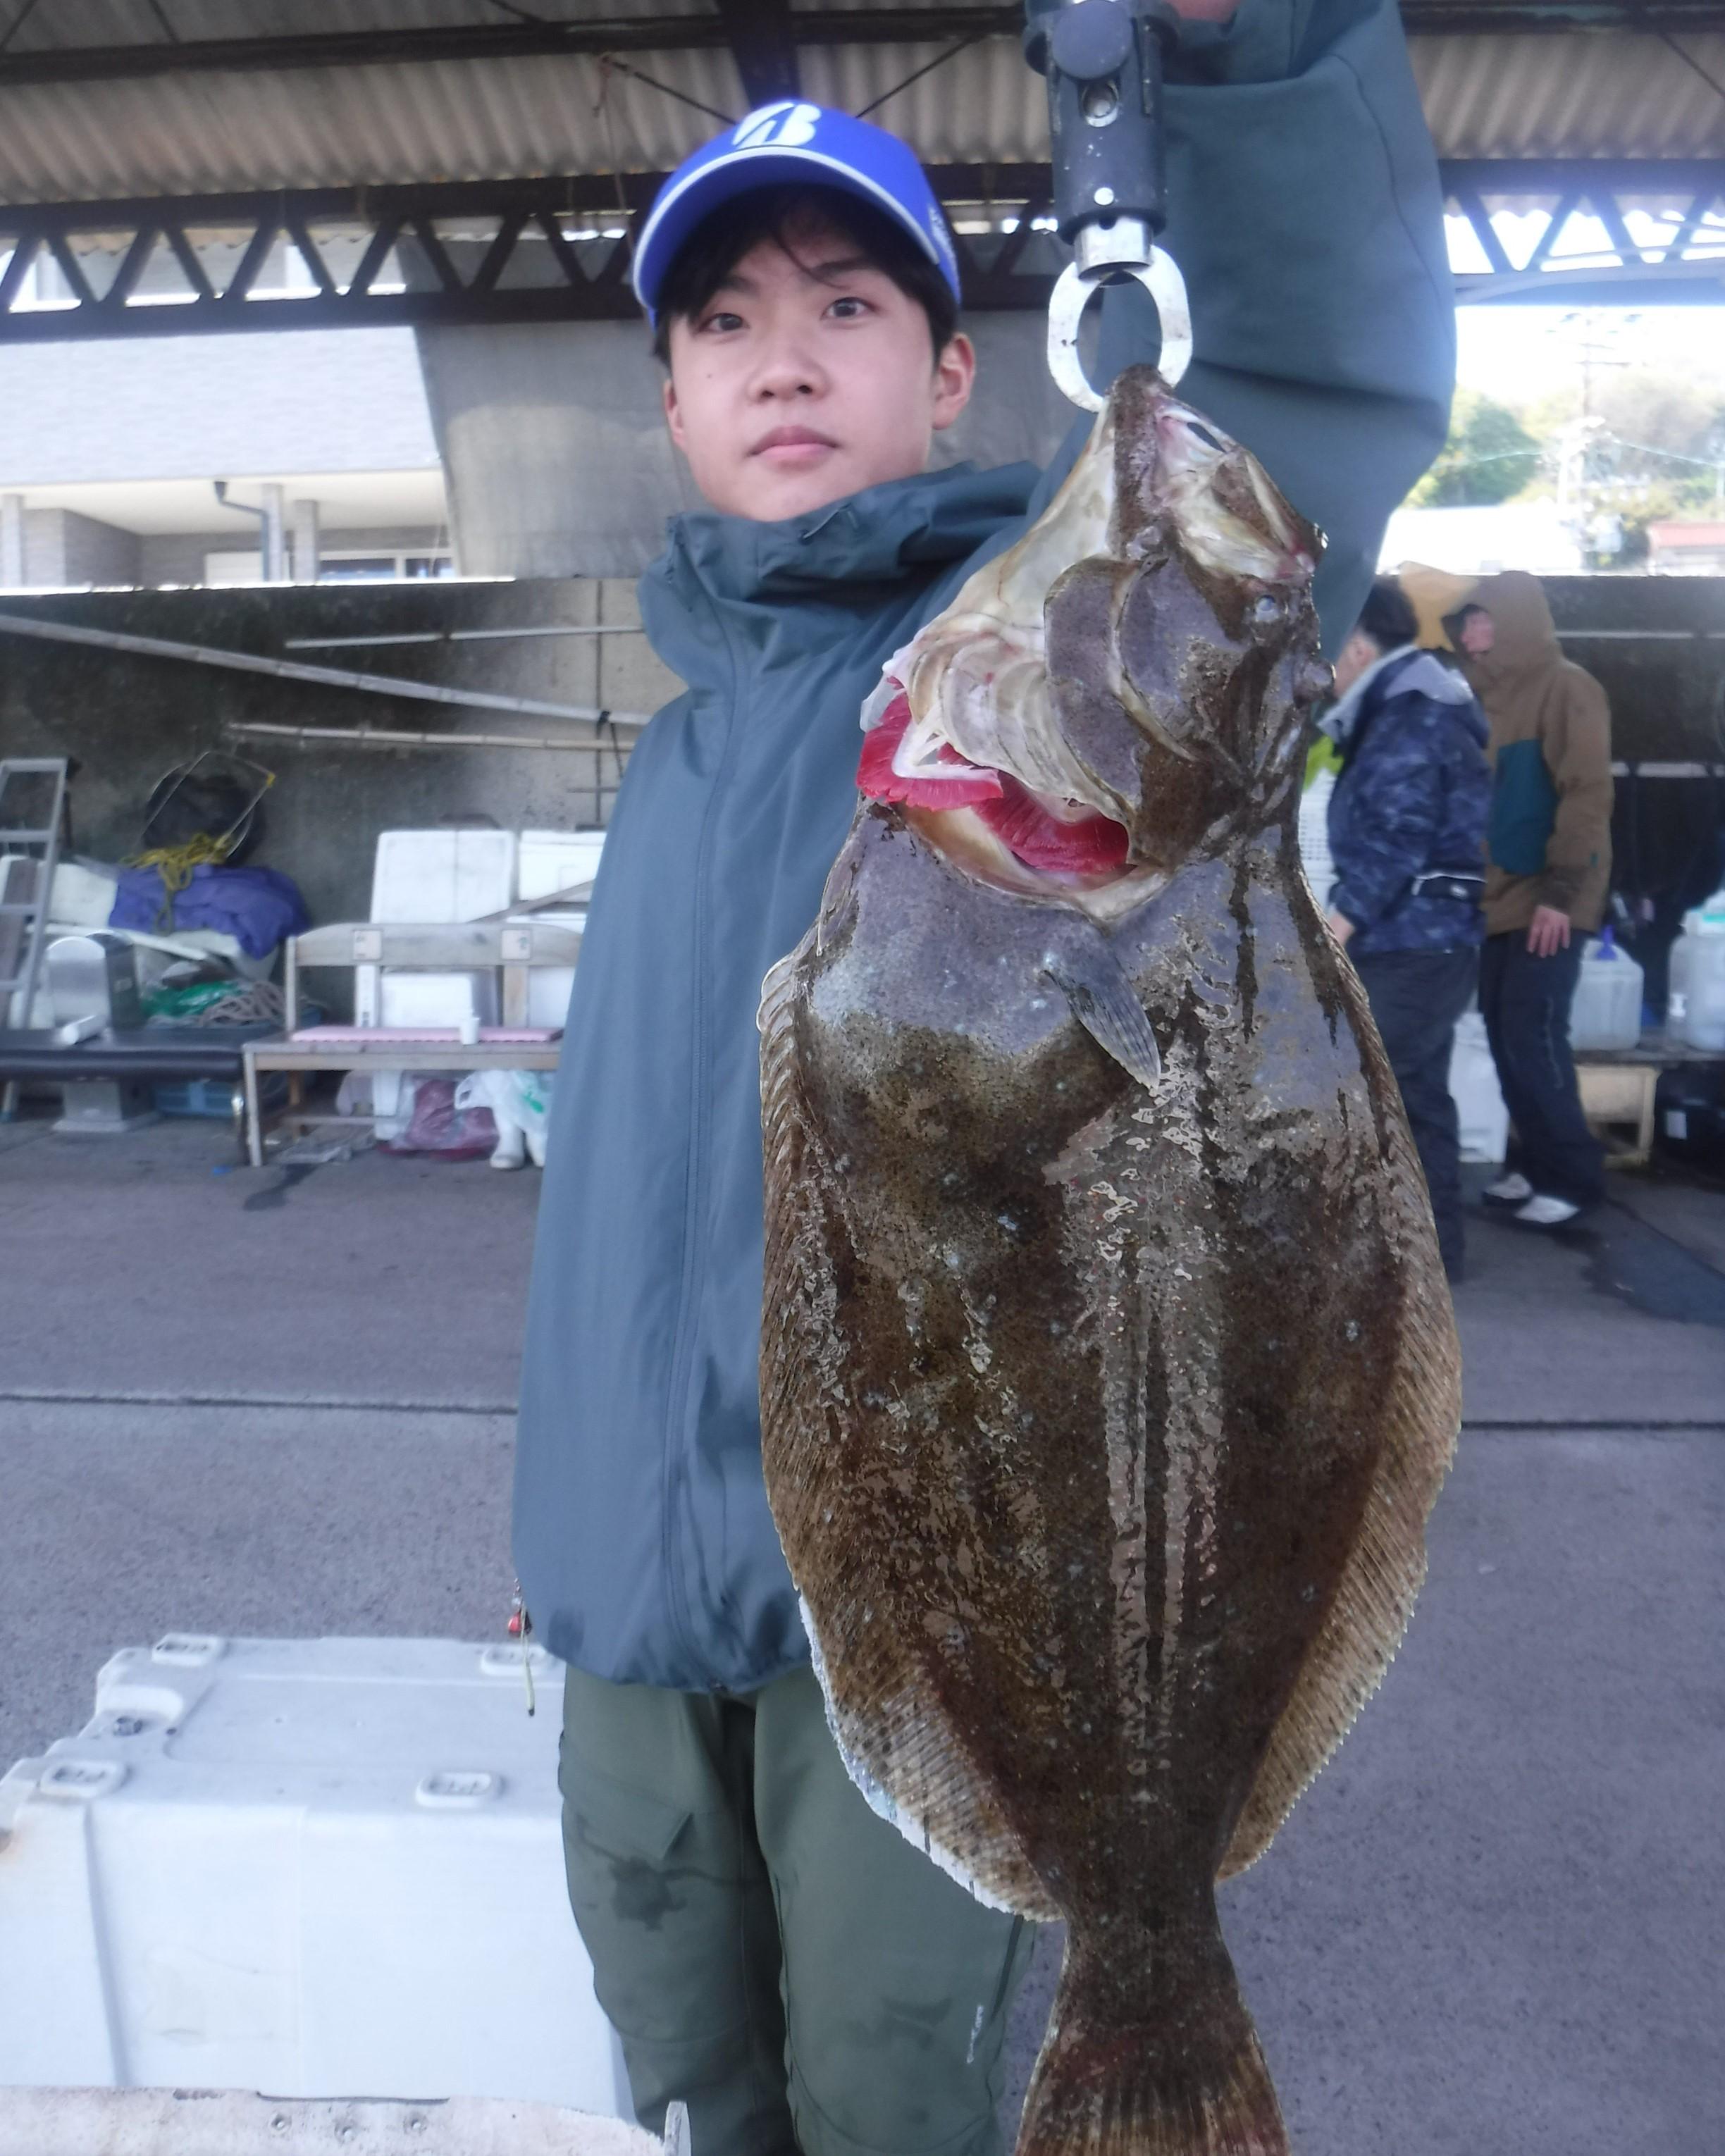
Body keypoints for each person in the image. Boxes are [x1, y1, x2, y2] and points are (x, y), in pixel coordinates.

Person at [510, 12, 1456, 2149]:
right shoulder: (669, 760)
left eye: (846, 305)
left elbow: (1305, 391)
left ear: (955, 372)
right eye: (724, 319)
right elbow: (615, 1205)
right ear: (667, 399)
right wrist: (568, 1518)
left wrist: (1247, 58)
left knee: (886, 2104)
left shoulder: (1027, 643)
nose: (781, 356)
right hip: (623, 1614)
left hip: (919, 1620)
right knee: (684, 2082)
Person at [1323, 577, 1490, 1282]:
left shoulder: (1410, 716)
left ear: (1358, 648)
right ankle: (1429, 1259)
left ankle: (1408, 1263)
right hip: (1426, 937)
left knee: (1384, 1095)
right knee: (1414, 1096)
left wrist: (1336, 925)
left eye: (1327, 651)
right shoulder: (1410, 704)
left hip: (1413, 940)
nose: (1322, 672)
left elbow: (1398, 836)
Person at [1452, 574, 1613, 1227]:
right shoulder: (1477, 697)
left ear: (1514, 621)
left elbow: (1587, 793)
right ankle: (1533, 1161)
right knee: (1501, 1031)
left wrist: (1563, 893)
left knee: (1533, 1032)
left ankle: (1573, 1177)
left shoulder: (1569, 686)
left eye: (1481, 620)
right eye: (1465, 623)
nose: (1469, 635)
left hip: (1552, 896)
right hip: (1497, 897)